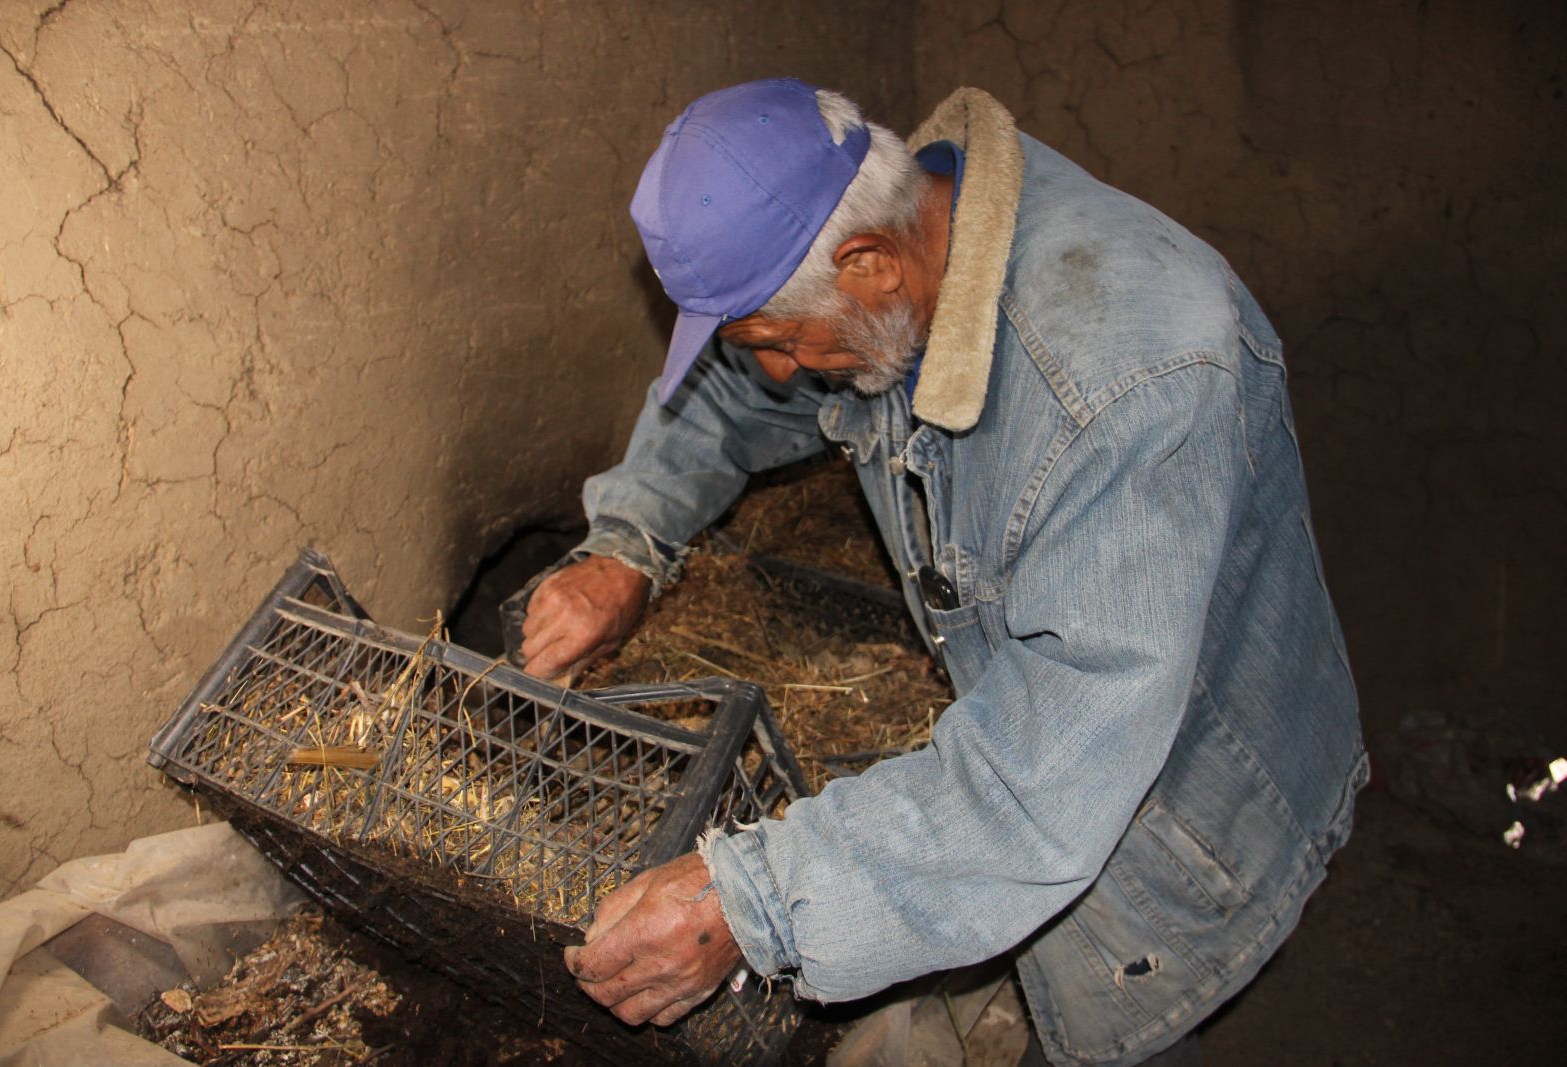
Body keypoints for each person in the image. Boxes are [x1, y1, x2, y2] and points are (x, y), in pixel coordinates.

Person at [524, 79, 1366, 1066]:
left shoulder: (1121, 387)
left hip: (1173, 819)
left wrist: (757, 897)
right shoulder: (913, 240)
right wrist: (627, 544)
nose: (779, 376)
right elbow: (726, 408)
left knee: (1120, 1023)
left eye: (781, 342)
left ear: (869, 264)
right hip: (1044, 761)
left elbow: (1048, 774)